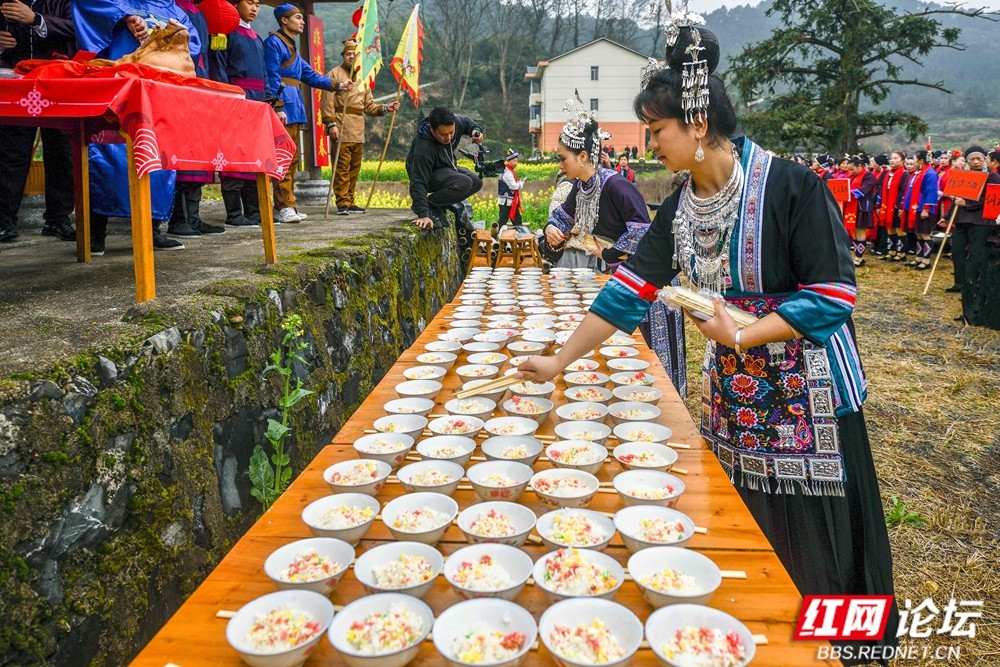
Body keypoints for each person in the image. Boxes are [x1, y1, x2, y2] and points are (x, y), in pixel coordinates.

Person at [520, 22, 898, 664]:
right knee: (745, 527)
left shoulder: (791, 187)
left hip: (810, 401)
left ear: (697, 124)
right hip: (737, 397)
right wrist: (559, 359)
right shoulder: (679, 204)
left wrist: (746, 331)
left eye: (657, 130)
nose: (649, 144)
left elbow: (834, 295)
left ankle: (841, 650)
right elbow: (630, 287)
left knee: (817, 537)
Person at [542, 107, 687, 397]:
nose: (560, 166)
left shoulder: (617, 185)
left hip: (649, 280)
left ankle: (668, 403)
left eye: (562, 158)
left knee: (653, 354)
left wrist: (607, 253)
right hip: (622, 277)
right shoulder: (580, 187)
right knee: (625, 355)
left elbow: (644, 234)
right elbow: (561, 217)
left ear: (582, 156)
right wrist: (550, 228)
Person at [73, 0, 200, 254]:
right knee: (106, 156)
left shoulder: (175, 11)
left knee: (156, 158)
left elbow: (192, 46)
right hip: (118, 89)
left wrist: (167, 37)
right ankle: (94, 233)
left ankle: (151, 230)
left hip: (158, 93)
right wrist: (124, 16)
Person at [265, 3, 352, 224]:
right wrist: (278, 105)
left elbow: (311, 75)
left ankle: (288, 203)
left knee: (292, 158)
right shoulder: (274, 43)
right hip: (284, 104)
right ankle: (283, 206)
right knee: (283, 157)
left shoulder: (292, 48)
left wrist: (337, 85)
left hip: (295, 104)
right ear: (284, 20)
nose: (302, 21)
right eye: (297, 17)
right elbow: (272, 76)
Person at [0, 0, 76, 244]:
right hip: (15, 86)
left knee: (62, 152)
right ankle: (4, 221)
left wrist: (36, 19)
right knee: (12, 153)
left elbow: (76, 29)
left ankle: (58, 219)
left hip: (58, 85)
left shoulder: (65, 2)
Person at [320, 38, 398, 216]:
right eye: (348, 54)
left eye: (354, 55)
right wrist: (331, 123)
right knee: (341, 167)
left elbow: (369, 107)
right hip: (340, 123)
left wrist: (386, 108)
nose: (351, 57)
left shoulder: (363, 78)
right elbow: (327, 102)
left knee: (355, 167)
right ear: (343, 56)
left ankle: (351, 199)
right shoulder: (333, 74)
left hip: (357, 127)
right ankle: (342, 202)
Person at [167, 0, 225, 239]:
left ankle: (193, 216)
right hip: (179, 84)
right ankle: (177, 218)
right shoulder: (171, 8)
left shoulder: (198, 12)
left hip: (199, 84)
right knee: (180, 154)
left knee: (199, 154)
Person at [209, 0, 268, 228]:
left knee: (254, 157)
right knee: (234, 156)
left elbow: (264, 73)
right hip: (237, 97)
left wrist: (270, 99)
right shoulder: (225, 33)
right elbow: (219, 68)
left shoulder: (257, 37)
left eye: (257, 4)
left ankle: (254, 211)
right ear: (235, 4)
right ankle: (234, 213)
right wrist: (227, 97)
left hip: (258, 100)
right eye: (249, 2)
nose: (255, 8)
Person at [407, 106, 484, 230]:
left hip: (445, 168)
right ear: (432, 129)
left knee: (476, 182)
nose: (448, 138)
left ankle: (440, 206)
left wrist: (475, 130)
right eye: (443, 134)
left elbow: (467, 122)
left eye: (451, 133)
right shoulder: (423, 148)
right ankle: (430, 205)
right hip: (428, 176)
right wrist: (423, 213)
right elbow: (418, 182)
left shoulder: (454, 124)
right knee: (464, 182)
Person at [951, 145, 1000, 326]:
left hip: (981, 225)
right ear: (967, 161)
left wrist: (968, 202)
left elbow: (992, 200)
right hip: (962, 223)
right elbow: (956, 199)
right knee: (959, 260)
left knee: (974, 266)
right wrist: (947, 217)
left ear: (986, 160)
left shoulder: (993, 178)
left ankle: (973, 312)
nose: (976, 162)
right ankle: (966, 310)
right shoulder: (963, 177)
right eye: (972, 159)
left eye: (980, 158)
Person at [901, 149, 938, 270]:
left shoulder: (930, 173)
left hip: (923, 208)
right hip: (915, 207)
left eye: (915, 160)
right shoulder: (919, 172)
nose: (913, 162)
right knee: (919, 234)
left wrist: (926, 209)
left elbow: (931, 192)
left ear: (921, 161)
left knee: (925, 234)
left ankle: (926, 260)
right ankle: (919, 257)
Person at [844, 155, 877, 266]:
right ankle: (856, 256)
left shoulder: (869, 177)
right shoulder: (852, 177)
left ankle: (859, 258)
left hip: (862, 208)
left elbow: (862, 191)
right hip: (851, 208)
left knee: (860, 232)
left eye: (852, 169)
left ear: (860, 166)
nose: (850, 172)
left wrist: (846, 192)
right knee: (854, 233)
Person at [878, 151, 909, 261]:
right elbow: (882, 189)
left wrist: (899, 205)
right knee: (890, 228)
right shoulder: (888, 173)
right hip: (887, 205)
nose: (892, 160)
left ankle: (901, 253)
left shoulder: (904, 174)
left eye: (896, 158)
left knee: (899, 228)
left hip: (896, 205)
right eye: (891, 158)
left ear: (902, 161)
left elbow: (904, 190)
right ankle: (891, 251)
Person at [497, 148, 524, 227]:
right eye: (514, 161)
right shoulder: (507, 172)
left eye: (517, 161)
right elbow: (514, 186)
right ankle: (498, 234)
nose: (516, 163)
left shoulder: (509, 170)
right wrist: (521, 184)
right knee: (503, 220)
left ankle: (520, 234)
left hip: (510, 201)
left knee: (516, 219)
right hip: (506, 201)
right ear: (509, 161)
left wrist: (518, 182)